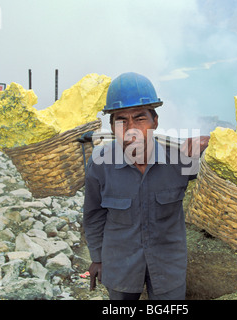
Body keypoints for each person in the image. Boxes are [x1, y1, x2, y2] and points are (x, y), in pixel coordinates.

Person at [83, 72, 209, 300]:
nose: (131, 128)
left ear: (155, 121)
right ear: (112, 127)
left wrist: (210, 143)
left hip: (168, 266)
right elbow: (93, 215)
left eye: (140, 118)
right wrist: (97, 259)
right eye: (121, 120)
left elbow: (224, 168)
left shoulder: (181, 159)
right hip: (120, 265)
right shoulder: (100, 164)